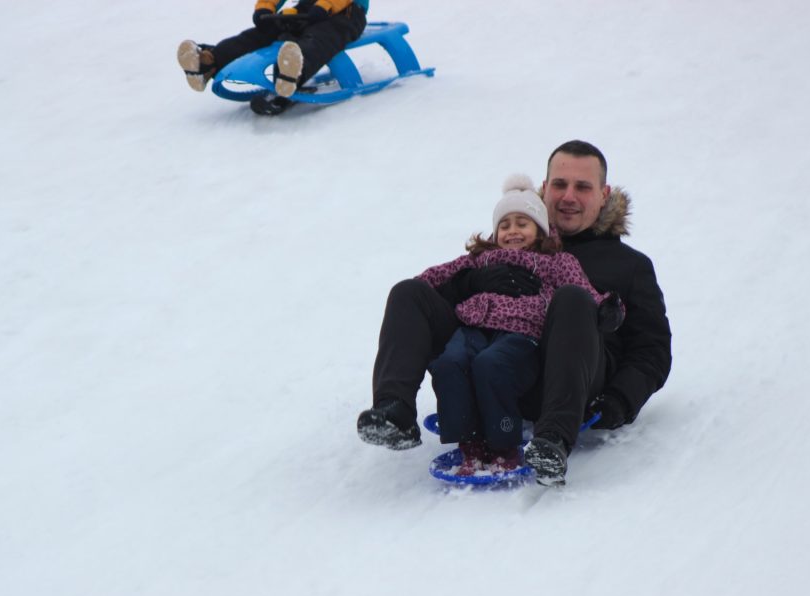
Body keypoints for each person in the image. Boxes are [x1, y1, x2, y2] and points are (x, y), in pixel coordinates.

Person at [357, 140, 672, 486]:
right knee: (409, 293)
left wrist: (620, 399)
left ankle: (552, 438)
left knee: (571, 299)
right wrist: (469, 282)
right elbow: (448, 290)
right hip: (488, 364)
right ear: (544, 187)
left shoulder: (630, 265)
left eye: (582, 187)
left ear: (603, 193)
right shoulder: (518, 234)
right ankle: (394, 411)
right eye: (560, 184)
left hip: (564, 383)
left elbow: (652, 350)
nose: (568, 196)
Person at [418, 174, 622, 477]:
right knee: (449, 363)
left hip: (522, 331)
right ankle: (469, 444)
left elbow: (583, 293)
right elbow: (433, 279)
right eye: (504, 224)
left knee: (492, 365)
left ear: (540, 229)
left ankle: (503, 445)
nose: (512, 231)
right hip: (473, 327)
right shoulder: (479, 260)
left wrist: (608, 306)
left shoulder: (555, 261)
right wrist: (462, 283)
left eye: (522, 223)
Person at [177, 1, 368, 114]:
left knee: (319, 39)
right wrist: (265, 8)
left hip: (346, 14)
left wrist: (326, 5)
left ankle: (291, 73)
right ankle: (210, 62)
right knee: (262, 32)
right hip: (307, 9)